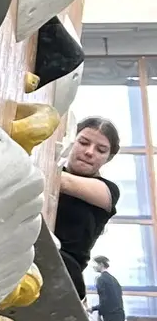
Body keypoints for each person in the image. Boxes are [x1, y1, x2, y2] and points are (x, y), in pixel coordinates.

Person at [56, 117, 121, 297]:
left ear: (108, 158)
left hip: (64, 274)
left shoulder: (108, 190)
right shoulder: (48, 171)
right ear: (72, 141)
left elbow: (63, 182)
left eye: (101, 150)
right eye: (83, 142)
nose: (89, 152)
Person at [90, 253, 137, 321]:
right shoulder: (113, 279)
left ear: (101, 264)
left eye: (95, 264)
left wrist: (93, 308)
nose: (93, 267)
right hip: (119, 314)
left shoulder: (101, 279)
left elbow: (105, 301)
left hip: (111, 316)